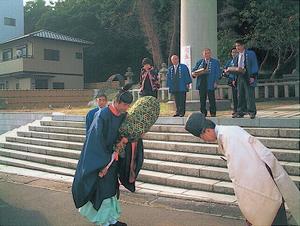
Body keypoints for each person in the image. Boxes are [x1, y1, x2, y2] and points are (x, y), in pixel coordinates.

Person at [185, 112, 300, 226]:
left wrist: (248, 206)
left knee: (270, 215)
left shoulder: (228, 137)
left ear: (207, 130)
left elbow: (242, 173)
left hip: (260, 183)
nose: (204, 140)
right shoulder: (228, 132)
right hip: (263, 178)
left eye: (202, 137)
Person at [72, 85, 134, 226]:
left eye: (128, 105)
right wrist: (103, 164)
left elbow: (124, 134)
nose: (126, 108)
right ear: (117, 101)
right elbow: (95, 141)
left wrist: (126, 139)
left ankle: (111, 219)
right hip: (100, 160)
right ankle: (104, 222)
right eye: (124, 105)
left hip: (113, 159)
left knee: (112, 190)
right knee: (103, 192)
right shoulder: (102, 115)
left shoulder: (123, 115)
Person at [231, 39, 258, 119]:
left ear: (243, 46)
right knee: (240, 94)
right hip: (239, 76)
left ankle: (251, 111)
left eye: (238, 45)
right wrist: (233, 78)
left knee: (249, 94)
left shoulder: (250, 54)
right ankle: (240, 111)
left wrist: (253, 76)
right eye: (236, 46)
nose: (237, 47)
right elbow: (235, 68)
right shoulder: (236, 56)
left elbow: (254, 64)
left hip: (248, 75)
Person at [192, 48, 221, 117]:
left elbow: (217, 73)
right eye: (205, 53)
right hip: (202, 82)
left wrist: (216, 82)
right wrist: (193, 73)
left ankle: (213, 112)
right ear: (203, 54)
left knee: (211, 98)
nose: (206, 55)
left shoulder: (215, 62)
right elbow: (194, 70)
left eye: (208, 53)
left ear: (210, 54)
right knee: (202, 99)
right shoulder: (200, 62)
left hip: (210, 82)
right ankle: (203, 113)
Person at [223, 48, 239, 115]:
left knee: (240, 95)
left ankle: (242, 109)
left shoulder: (240, 61)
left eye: (235, 52)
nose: (234, 54)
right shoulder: (229, 61)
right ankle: (235, 109)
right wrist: (226, 72)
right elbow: (225, 69)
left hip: (239, 80)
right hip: (231, 80)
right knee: (234, 96)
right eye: (232, 52)